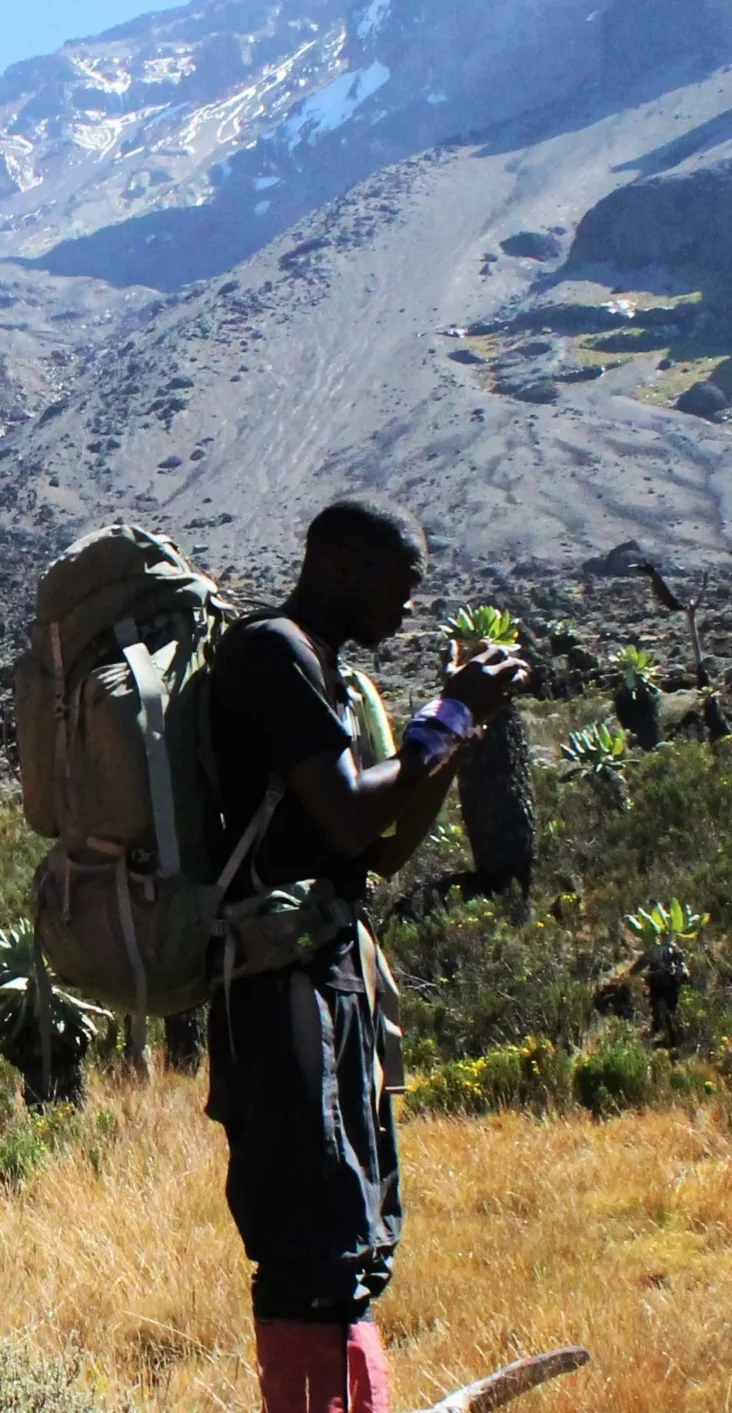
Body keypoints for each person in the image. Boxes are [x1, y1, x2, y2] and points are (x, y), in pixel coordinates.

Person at [206, 497, 527, 1413]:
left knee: (351, 1227)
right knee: (308, 1231)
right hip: (278, 981)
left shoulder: (336, 674)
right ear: (345, 565)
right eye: (403, 581)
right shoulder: (274, 653)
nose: (409, 604)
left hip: (328, 966)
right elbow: (347, 810)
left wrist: (455, 732)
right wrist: (447, 715)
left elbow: (376, 849)